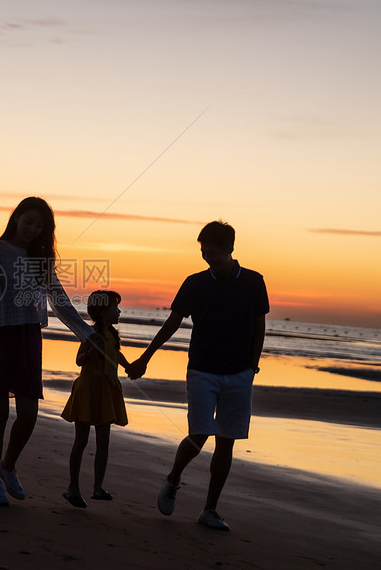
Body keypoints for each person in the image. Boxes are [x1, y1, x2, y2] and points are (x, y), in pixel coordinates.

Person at [127, 220, 268, 531]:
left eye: (214, 253)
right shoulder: (195, 283)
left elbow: (260, 324)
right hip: (202, 369)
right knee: (200, 433)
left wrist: (252, 365)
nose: (208, 259)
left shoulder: (254, 282)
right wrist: (146, 357)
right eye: (204, 253)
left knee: (226, 442)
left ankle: (210, 510)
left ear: (231, 249)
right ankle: (174, 477)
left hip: (240, 373)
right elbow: (173, 323)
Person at [0, 197, 95, 506]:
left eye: (40, 226)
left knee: (29, 414)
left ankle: (8, 465)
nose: (33, 229)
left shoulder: (41, 258)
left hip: (27, 339)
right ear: (17, 218)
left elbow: (60, 301)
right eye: (29, 221)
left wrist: (88, 334)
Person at [60, 290, 129, 508]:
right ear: (102, 311)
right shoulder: (90, 334)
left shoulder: (112, 335)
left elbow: (116, 355)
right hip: (88, 389)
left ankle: (98, 487)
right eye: (114, 307)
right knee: (81, 441)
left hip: (106, 390)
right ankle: (73, 487)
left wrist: (130, 367)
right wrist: (90, 353)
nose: (118, 311)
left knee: (104, 441)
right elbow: (79, 360)